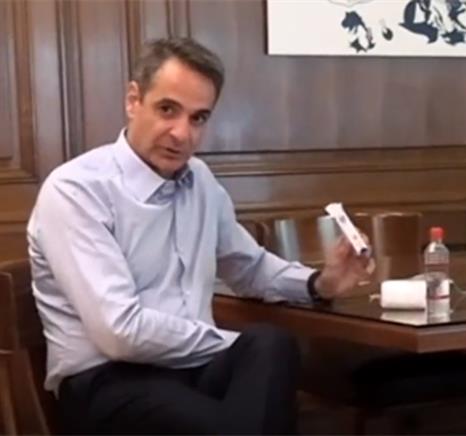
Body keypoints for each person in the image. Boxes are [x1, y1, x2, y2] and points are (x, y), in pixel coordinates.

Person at [27, 37, 372, 434]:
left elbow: (249, 267)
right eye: (167, 110)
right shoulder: (77, 190)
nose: (182, 133)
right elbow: (121, 333)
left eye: (198, 118)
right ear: (133, 100)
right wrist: (224, 340)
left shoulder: (201, 181)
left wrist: (320, 283)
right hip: (108, 381)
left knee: (271, 345)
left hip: (191, 370)